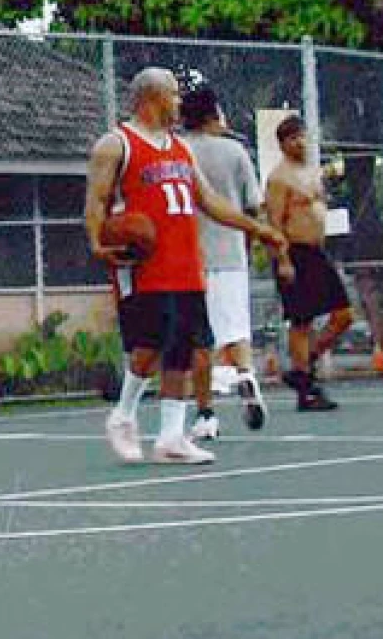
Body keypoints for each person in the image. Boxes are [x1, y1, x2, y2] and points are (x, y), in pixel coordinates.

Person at [87, 68, 287, 465]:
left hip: (186, 260)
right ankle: (123, 415)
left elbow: (209, 201)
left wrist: (257, 228)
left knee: (184, 347)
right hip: (145, 263)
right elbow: (95, 202)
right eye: (173, 95)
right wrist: (96, 242)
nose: (179, 103)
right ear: (151, 98)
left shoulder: (181, 149)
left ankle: (170, 438)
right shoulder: (115, 145)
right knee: (149, 347)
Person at [180, 87, 267, 438]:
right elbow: (252, 205)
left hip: (190, 256)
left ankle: (206, 414)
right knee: (236, 330)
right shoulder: (235, 151)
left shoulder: (180, 150)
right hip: (231, 252)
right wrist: (247, 243)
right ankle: (245, 374)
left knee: (200, 340)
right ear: (214, 114)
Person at [265, 114, 354, 411]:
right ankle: (307, 391)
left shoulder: (312, 172)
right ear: (282, 144)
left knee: (343, 315)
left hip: (317, 252)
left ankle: (303, 368)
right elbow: (274, 223)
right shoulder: (279, 178)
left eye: (302, 135)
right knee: (301, 320)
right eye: (292, 138)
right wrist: (283, 260)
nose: (299, 142)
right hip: (295, 253)